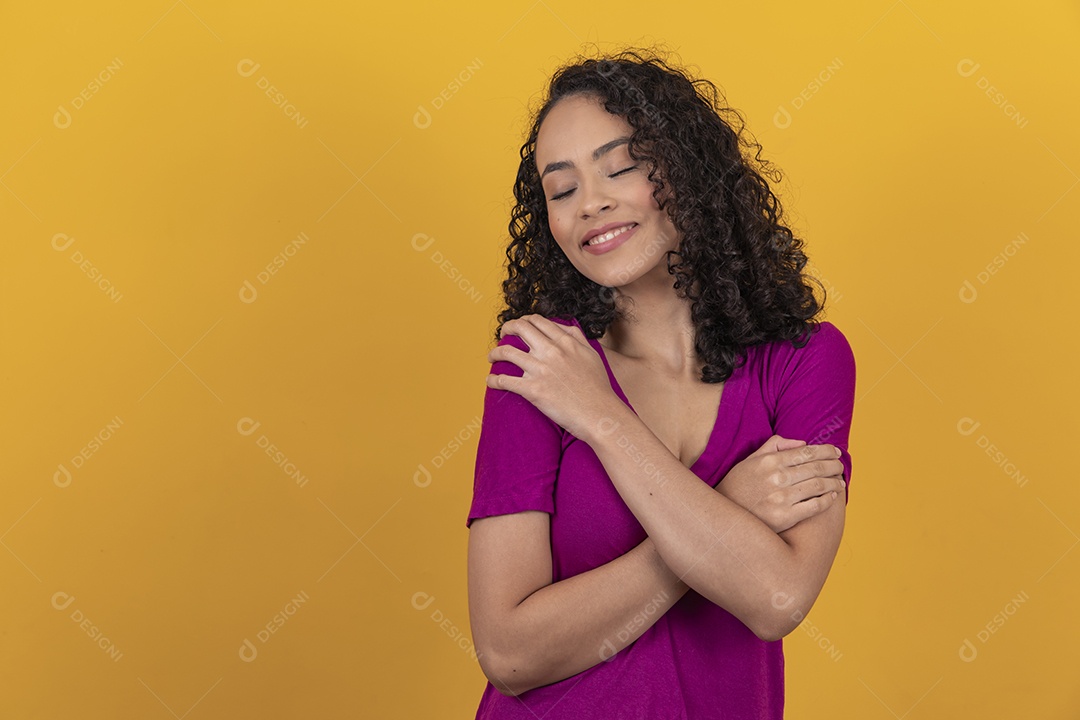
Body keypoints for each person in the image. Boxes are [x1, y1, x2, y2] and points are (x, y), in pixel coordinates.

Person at [465, 46, 856, 719]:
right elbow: (509, 653)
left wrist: (602, 419)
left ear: (690, 170)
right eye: (561, 189)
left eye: (620, 167)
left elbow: (776, 599)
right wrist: (724, 517)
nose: (591, 203)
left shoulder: (806, 361)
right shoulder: (540, 365)